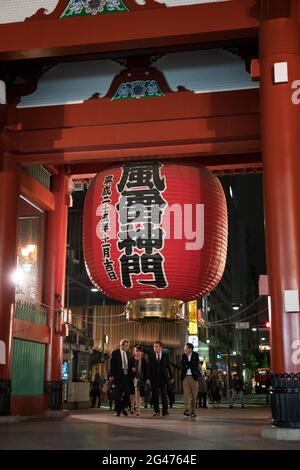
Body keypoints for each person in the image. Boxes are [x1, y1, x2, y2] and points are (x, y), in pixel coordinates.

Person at [148, 341, 173, 417]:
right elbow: (148, 368)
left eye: (156, 346)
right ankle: (157, 411)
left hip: (163, 378)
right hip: (154, 379)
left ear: (161, 348)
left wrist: (171, 377)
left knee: (164, 395)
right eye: (154, 346)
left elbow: (169, 367)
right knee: (155, 395)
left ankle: (165, 411)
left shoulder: (165, 355)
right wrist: (148, 378)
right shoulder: (151, 356)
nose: (154, 348)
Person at [109, 339, 131, 417]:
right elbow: (112, 365)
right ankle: (118, 411)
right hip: (118, 376)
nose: (127, 347)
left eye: (128, 346)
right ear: (121, 345)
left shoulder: (129, 354)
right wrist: (111, 375)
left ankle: (122, 407)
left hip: (127, 376)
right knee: (118, 395)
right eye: (126, 345)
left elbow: (130, 365)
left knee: (127, 393)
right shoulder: (115, 353)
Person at [180, 343, 200, 417]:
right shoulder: (183, 355)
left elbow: (195, 364)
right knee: (186, 394)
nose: (184, 349)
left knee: (194, 395)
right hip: (185, 377)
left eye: (185, 348)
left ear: (190, 349)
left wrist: (187, 365)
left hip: (194, 377)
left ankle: (193, 410)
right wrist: (189, 364)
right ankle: (187, 409)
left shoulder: (195, 355)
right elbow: (182, 364)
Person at [129, 345, 148, 416]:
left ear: (141, 352)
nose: (137, 352)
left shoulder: (143, 360)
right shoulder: (131, 359)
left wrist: (147, 379)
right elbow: (128, 368)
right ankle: (132, 407)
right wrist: (131, 369)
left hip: (141, 379)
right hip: (132, 379)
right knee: (132, 394)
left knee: (139, 394)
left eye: (139, 351)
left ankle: (138, 410)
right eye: (136, 350)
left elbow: (146, 370)